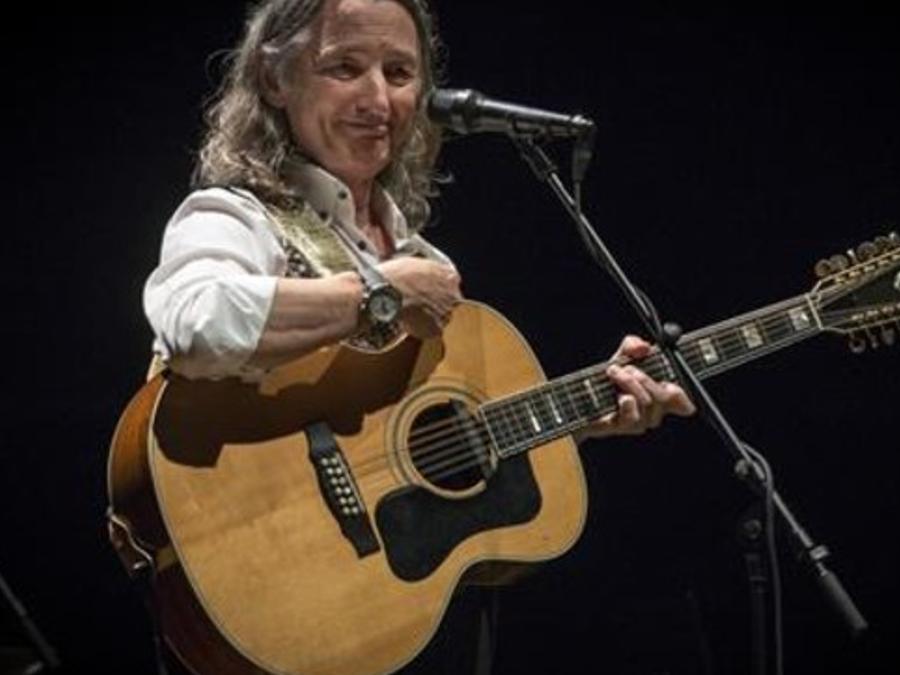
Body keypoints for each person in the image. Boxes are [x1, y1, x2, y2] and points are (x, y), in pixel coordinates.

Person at [141, 0, 695, 671]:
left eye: (400, 73)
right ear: (274, 79)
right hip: (260, 564)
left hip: (383, 607)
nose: (378, 97)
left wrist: (583, 415)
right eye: (345, 67)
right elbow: (195, 321)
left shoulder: (422, 258)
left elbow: (420, 443)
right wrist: (379, 294)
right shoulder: (236, 216)